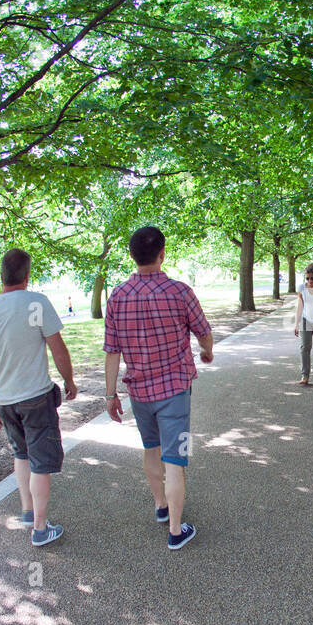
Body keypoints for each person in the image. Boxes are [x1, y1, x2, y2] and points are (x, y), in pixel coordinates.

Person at [104, 226, 213, 551]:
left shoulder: (118, 296)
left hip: (139, 392)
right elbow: (203, 332)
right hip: (175, 390)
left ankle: (161, 506)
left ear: (133, 256)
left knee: (151, 449)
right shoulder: (180, 292)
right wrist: (207, 351)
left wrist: (110, 395)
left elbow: (112, 351)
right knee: (176, 458)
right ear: (162, 254)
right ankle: (176, 531)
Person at [0, 249, 77, 547]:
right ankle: (41, 529)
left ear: (1, 275)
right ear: (27, 275)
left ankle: (28, 511)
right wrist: (69, 379)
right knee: (41, 461)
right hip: (36, 397)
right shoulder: (36, 303)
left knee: (21, 454)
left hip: (5, 401)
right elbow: (58, 348)